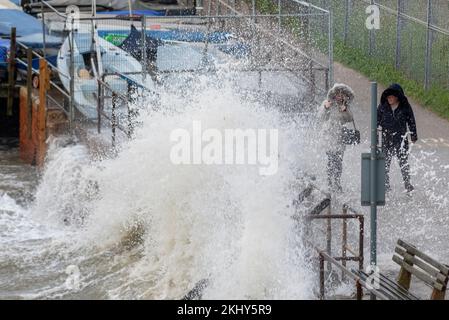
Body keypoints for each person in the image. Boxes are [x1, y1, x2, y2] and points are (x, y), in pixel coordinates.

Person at [377, 83, 418, 193]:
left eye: (391, 97)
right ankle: (385, 185)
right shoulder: (382, 106)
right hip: (387, 138)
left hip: (401, 139)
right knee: (385, 163)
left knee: (403, 162)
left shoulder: (405, 106)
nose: (389, 99)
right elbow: (376, 122)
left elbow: (411, 120)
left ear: (397, 97)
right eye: (388, 97)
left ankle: (407, 183)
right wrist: (376, 138)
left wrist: (413, 134)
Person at [319, 83, 355, 193]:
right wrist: (325, 108)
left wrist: (345, 110)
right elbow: (321, 117)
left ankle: (337, 182)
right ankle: (329, 182)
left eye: (341, 94)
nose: (339, 96)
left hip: (340, 137)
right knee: (331, 160)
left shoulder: (345, 107)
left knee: (339, 162)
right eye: (337, 94)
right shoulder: (327, 103)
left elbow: (350, 119)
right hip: (329, 136)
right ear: (334, 95)